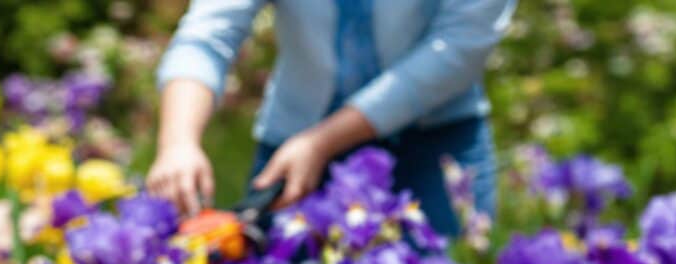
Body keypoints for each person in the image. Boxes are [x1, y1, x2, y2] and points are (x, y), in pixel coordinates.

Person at [148, 0, 515, 236]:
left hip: (434, 145)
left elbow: (458, 49)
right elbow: (207, 35)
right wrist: (178, 142)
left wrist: (322, 142)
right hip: (294, 153)